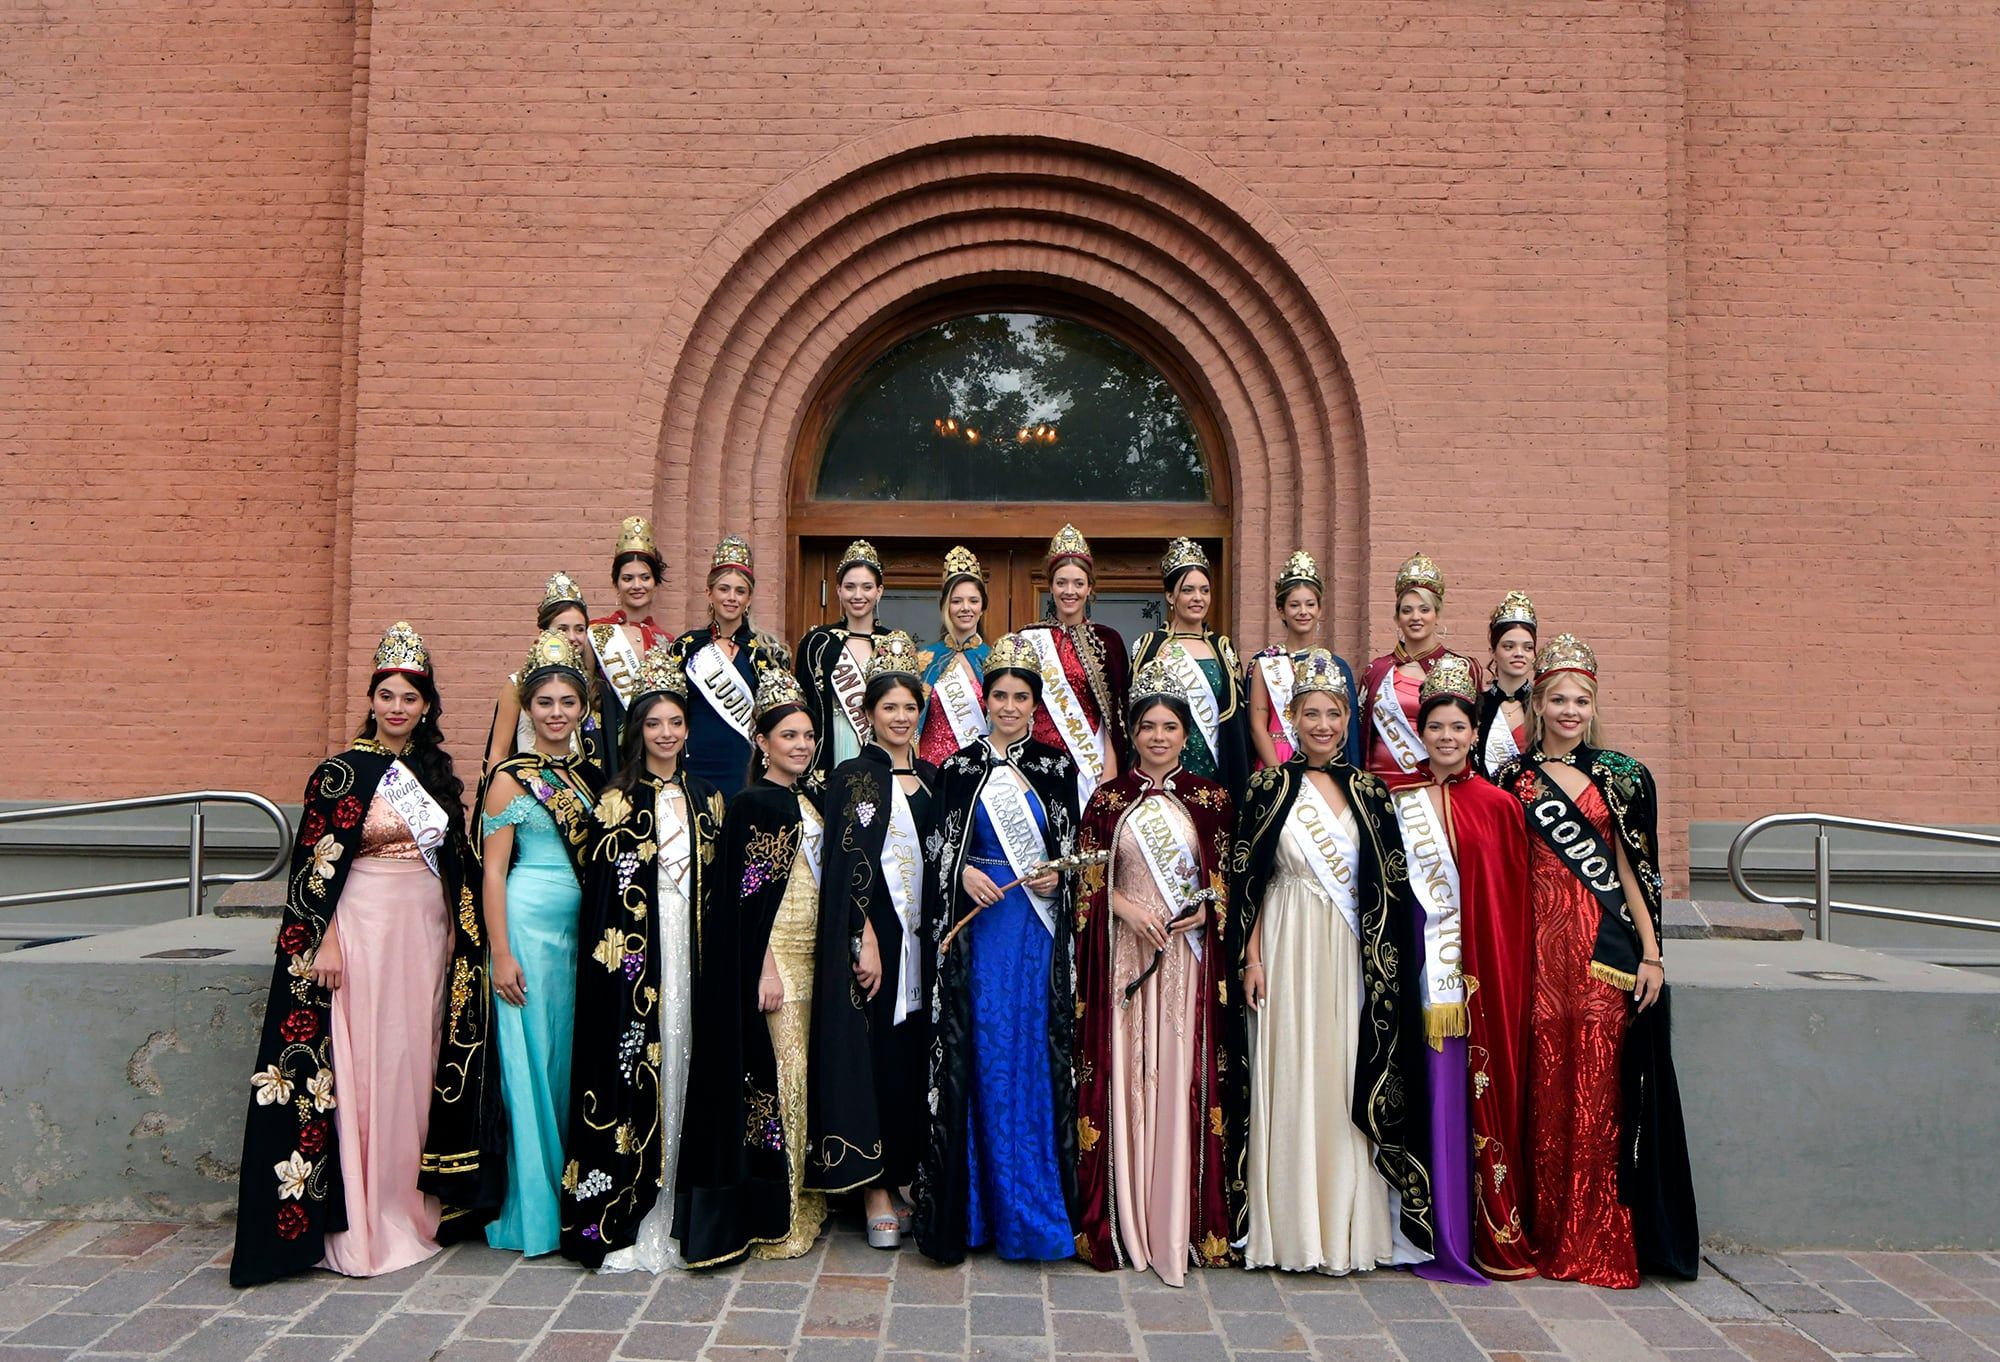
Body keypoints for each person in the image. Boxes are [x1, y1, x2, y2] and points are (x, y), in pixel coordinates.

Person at [232, 622, 499, 1286]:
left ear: (427, 705)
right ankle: (361, 1217)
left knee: (412, 1067)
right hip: (361, 930)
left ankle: (409, 1203)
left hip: (424, 934)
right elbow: (311, 872)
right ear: (372, 700)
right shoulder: (339, 774)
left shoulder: (435, 774)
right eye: (388, 695)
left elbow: (457, 864)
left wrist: (463, 939)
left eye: (411, 696)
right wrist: (323, 937)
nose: (398, 707)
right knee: (361, 1066)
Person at [1493, 635, 1698, 1287]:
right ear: (1538, 701)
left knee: (1597, 1090)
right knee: (1543, 1089)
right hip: (1535, 952)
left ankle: (1591, 1230)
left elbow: (1636, 874)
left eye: (1581, 699)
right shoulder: (1512, 779)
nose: (1570, 710)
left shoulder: (1623, 776)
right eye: (1558, 698)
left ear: (1594, 704)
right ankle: (1544, 1229)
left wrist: (1654, 954)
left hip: (1600, 953)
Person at [1232, 649, 1433, 1275]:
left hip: (1349, 954)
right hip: (1286, 945)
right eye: (1310, 714)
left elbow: (1389, 890)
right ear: (1290, 719)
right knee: (1290, 1067)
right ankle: (1287, 1228)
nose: (1322, 725)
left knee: (1342, 1067)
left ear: (1347, 720)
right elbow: (1250, 882)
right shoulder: (1267, 786)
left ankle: (1347, 1227)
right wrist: (1252, 958)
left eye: (1333, 714)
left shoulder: (1372, 792)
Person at [913, 633, 1083, 1265]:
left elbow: (1070, 852)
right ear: (984, 701)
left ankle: (1032, 1214)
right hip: (979, 929)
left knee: (1031, 1054)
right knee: (983, 1055)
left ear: (1036, 705)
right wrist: (960, 874)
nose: (1010, 706)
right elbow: (937, 850)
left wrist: (1055, 875)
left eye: (1021, 697)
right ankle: (977, 1212)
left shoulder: (1054, 767)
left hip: (1033, 928)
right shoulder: (957, 769)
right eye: (1001, 696)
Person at [561, 647, 726, 1272]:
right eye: (654, 723)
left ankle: (688, 1208)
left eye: (675, 722)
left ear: (688, 729)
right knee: (635, 1070)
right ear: (638, 731)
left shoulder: (710, 800)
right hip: (635, 965)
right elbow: (601, 896)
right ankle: (628, 1207)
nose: (666, 733)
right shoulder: (612, 802)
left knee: (691, 1061)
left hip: (693, 953)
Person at [1072, 659, 1237, 1285]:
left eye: (1170, 726)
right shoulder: (1108, 801)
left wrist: (1206, 909)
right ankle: (1128, 1218)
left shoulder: (1212, 800)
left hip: (1185, 965)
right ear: (1133, 733)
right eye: (1148, 726)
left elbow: (1227, 884)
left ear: (1184, 731)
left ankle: (1177, 1220)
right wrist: (1121, 906)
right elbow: (1088, 881)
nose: (1159, 736)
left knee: (1176, 1074)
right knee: (1129, 1074)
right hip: (1125, 958)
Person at [1382, 656, 1534, 1284]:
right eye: (1435, 727)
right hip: (1414, 964)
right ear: (1422, 733)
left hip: (1471, 975)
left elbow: (1508, 902)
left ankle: (1469, 1233)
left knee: (1464, 1093)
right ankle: (1412, 1227)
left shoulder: (1499, 806)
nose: (1446, 737)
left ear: (1475, 734)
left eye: (1457, 728)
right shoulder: (1397, 800)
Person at [807, 632, 936, 1249]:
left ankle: (907, 1169)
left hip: (926, 941)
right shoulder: (853, 776)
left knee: (914, 1055)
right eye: (889, 708)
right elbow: (844, 863)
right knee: (877, 1053)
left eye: (910, 708)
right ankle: (873, 1184)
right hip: (878, 943)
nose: (901, 717)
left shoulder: (937, 780)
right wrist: (862, 938)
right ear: (869, 714)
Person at [481, 631, 604, 1257]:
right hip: (527, 931)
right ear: (527, 711)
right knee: (529, 1066)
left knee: (564, 1064)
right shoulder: (509, 781)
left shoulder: (592, 777)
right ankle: (532, 1210)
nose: (557, 713)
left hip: (581, 939)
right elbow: (492, 874)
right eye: (545, 703)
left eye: (567, 702)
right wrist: (501, 953)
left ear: (583, 708)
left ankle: (570, 1195)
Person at [719, 670, 828, 1259]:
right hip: (778, 960)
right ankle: (776, 1207)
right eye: (789, 735)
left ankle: (805, 1194)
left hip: (816, 957)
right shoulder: (750, 805)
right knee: (782, 1077)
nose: (802, 745)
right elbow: (745, 900)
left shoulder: (809, 800)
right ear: (762, 741)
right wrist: (763, 967)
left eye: (809, 735)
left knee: (808, 1076)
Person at [1017, 523, 1128, 811]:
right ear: (1050, 586)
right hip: (1036, 764)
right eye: (1061, 582)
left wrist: (1110, 772)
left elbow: (1117, 714)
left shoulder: (1109, 642)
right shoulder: (1028, 639)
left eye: (1078, 583)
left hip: (1093, 769)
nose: (1070, 591)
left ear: (1090, 588)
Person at [666, 535, 785, 798]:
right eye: (724, 589)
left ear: (749, 598)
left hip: (743, 765)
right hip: (693, 762)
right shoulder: (686, 648)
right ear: (709, 593)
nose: (731, 598)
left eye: (740, 591)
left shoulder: (766, 653)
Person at [1129, 537, 1246, 794]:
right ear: (1170, 595)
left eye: (1204, 590)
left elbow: (1236, 722)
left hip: (1214, 775)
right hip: (1160, 769)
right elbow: (1132, 714)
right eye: (1188, 590)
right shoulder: (1150, 646)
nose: (1198, 598)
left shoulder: (1223, 649)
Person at [1358, 553, 1483, 779]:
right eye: (1407, 610)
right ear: (1397, 618)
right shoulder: (1376, 670)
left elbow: (1473, 733)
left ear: (1437, 615)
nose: (1416, 617)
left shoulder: (1462, 667)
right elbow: (1362, 734)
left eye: (1424, 609)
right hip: (1380, 786)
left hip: (1438, 783)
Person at [1246, 549, 1361, 769]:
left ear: (1319, 609)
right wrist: (1279, 774)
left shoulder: (1335, 665)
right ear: (1281, 611)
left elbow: (1345, 728)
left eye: (1310, 604)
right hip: (1276, 758)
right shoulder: (1264, 663)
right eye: (1294, 605)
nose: (1303, 612)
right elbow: (1257, 726)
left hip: (1323, 759)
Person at [484, 572, 604, 774]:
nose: (573, 637)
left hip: (581, 789)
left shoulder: (592, 684)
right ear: (544, 633)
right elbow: (499, 753)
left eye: (580, 629)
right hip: (529, 790)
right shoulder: (518, 683)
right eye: (563, 629)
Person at [796, 538, 894, 777]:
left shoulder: (894, 644)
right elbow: (804, 704)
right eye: (850, 587)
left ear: (879, 591)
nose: (858, 595)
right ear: (838, 590)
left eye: (867, 587)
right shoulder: (818, 642)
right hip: (833, 741)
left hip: (878, 744)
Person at [587, 517, 670, 777]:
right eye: (628, 578)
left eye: (645, 577)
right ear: (616, 584)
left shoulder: (667, 641)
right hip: (609, 743)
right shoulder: (597, 632)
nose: (637, 585)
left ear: (655, 583)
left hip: (654, 744)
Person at [917, 545, 991, 767]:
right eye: (956, 601)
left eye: (973, 601)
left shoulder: (993, 660)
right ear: (945, 606)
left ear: (982, 607)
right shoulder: (925, 660)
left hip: (979, 772)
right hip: (931, 772)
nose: (965, 608)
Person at [1476, 591, 1537, 779]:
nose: (1519, 653)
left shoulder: (1543, 705)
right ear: (1493, 652)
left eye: (1527, 647)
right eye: (1509, 646)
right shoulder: (1477, 704)